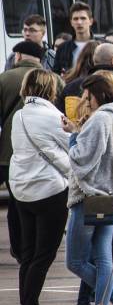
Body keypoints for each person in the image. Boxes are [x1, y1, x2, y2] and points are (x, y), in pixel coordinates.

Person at [63, 73, 113, 305]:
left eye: (87, 97)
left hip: (89, 197)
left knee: (75, 262)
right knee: (104, 258)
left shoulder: (100, 119)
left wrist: (74, 137)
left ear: (96, 94)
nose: (85, 103)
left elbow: (82, 158)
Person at [10, 69, 71, 305]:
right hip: (49, 189)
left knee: (28, 254)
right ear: (51, 88)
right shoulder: (52, 116)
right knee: (43, 256)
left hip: (22, 189)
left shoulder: (20, 115)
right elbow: (74, 145)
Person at [0, 41, 48, 265]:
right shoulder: (51, 78)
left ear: (18, 56)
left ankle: (19, 248)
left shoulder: (4, 78)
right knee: (32, 201)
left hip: (8, 153)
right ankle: (33, 247)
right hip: (40, 153)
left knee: (14, 202)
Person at [55, 40, 101, 122]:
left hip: (72, 129)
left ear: (81, 58)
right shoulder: (107, 82)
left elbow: (59, 114)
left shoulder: (68, 82)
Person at [53, 2, 95, 76]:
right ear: (71, 22)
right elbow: (56, 75)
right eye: (75, 19)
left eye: (83, 18)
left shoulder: (101, 46)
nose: (79, 22)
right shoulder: (62, 49)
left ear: (90, 21)